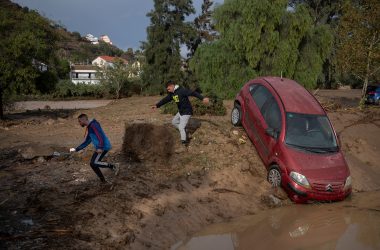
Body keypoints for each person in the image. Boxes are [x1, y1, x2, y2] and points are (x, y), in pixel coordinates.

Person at [152, 80, 209, 144]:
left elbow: (193, 93)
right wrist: (157, 105)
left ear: (172, 86)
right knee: (174, 122)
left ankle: (184, 142)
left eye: (168, 89)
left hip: (187, 111)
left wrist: (202, 98)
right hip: (181, 111)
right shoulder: (172, 94)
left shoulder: (182, 90)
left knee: (181, 127)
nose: (168, 90)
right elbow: (165, 100)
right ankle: (185, 131)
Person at [70, 114, 119, 183]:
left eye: (79, 121)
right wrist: (77, 149)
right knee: (92, 164)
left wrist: (100, 147)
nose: (79, 123)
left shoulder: (94, 125)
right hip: (100, 147)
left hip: (103, 147)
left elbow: (100, 136)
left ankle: (113, 166)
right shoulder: (90, 127)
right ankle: (103, 181)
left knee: (94, 163)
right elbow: (87, 141)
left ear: (83, 120)